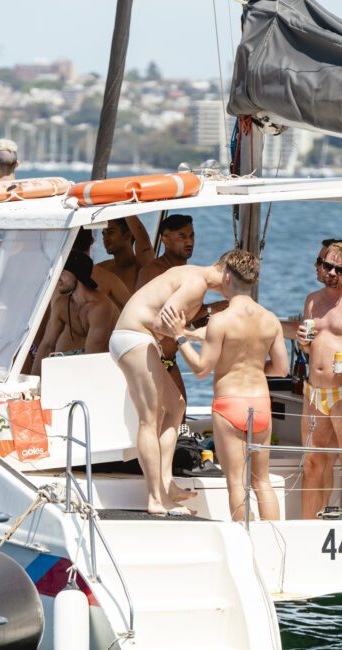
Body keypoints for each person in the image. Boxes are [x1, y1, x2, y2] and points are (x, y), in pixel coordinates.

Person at [161, 250, 289, 521]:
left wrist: (179, 338)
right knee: (262, 482)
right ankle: (273, 543)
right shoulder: (270, 319)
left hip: (230, 404)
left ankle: (246, 543)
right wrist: (255, 367)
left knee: (236, 483)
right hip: (260, 403)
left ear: (227, 277)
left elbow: (201, 369)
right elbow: (281, 369)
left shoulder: (221, 320)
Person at [110, 254, 229, 516]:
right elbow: (163, 322)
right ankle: (156, 498)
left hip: (136, 337)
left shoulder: (194, 277)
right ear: (227, 274)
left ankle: (166, 484)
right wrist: (192, 335)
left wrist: (202, 316)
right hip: (133, 337)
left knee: (176, 406)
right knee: (148, 420)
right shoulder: (196, 283)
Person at [296, 239, 342, 517]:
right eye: (327, 266)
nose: (332, 273)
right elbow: (311, 345)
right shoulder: (312, 300)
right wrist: (304, 342)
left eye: (340, 270)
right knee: (313, 464)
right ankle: (308, 527)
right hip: (314, 392)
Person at [136, 214, 227, 400]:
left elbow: (194, 320)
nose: (189, 242)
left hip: (170, 360)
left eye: (192, 236)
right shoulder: (153, 271)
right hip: (149, 359)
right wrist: (211, 309)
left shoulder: (190, 275)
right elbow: (165, 318)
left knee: (181, 413)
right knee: (161, 419)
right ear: (165, 240)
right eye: (182, 237)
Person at [32, 250, 119, 374]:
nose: (57, 278)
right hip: (83, 362)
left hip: (108, 368)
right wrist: (35, 383)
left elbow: (92, 359)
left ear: (76, 275)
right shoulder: (61, 304)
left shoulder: (99, 308)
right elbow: (47, 344)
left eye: (61, 272)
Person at [97, 216, 154, 292]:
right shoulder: (101, 268)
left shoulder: (141, 267)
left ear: (127, 235)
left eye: (111, 232)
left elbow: (142, 238)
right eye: (103, 234)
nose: (105, 239)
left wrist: (121, 208)